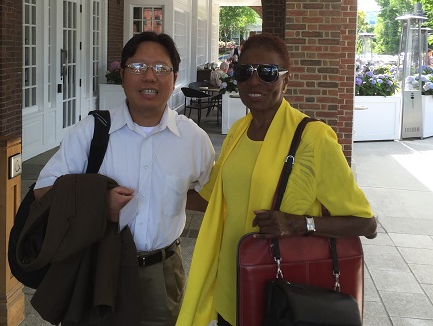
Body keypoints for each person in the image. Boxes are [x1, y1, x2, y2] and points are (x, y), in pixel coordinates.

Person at [178, 33, 377, 326]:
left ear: (286, 80)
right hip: (233, 288)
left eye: (268, 73)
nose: (254, 82)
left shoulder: (314, 138)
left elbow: (366, 224)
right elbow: (214, 197)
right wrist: (154, 193)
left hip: (283, 297)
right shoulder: (237, 131)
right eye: (245, 71)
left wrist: (298, 223)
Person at [34, 31, 215, 326]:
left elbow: (210, 195)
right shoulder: (92, 131)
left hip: (162, 272)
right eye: (138, 67)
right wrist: (97, 203)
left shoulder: (193, 139)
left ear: (175, 77)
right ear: (123, 74)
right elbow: (43, 190)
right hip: (98, 266)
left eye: (160, 68)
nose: (149, 77)